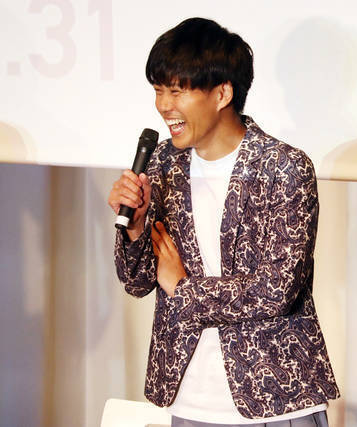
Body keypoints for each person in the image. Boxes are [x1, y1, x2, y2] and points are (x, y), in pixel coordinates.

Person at [107, 17, 339, 427]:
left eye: (176, 90)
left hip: (276, 396)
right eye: (159, 91)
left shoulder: (283, 167)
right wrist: (136, 228)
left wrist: (184, 288)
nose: (164, 105)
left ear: (222, 93)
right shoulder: (162, 163)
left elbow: (276, 291)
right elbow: (137, 281)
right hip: (190, 399)